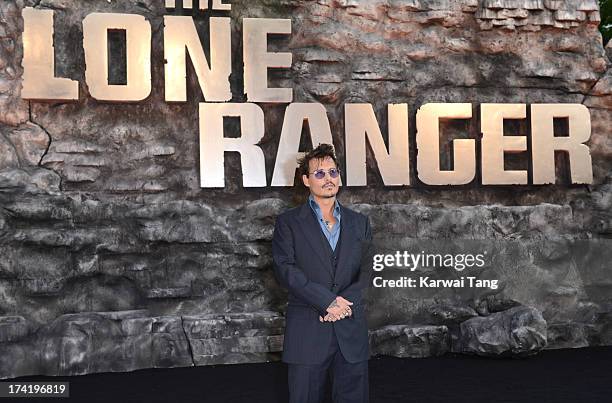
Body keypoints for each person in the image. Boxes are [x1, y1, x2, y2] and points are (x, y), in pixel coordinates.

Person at [272, 143, 374, 403]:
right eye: (319, 174)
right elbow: (286, 270)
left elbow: (368, 269)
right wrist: (327, 302)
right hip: (307, 332)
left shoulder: (359, 223)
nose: (328, 179)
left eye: (333, 172)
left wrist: (342, 304)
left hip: (350, 331)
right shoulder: (288, 223)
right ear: (306, 180)